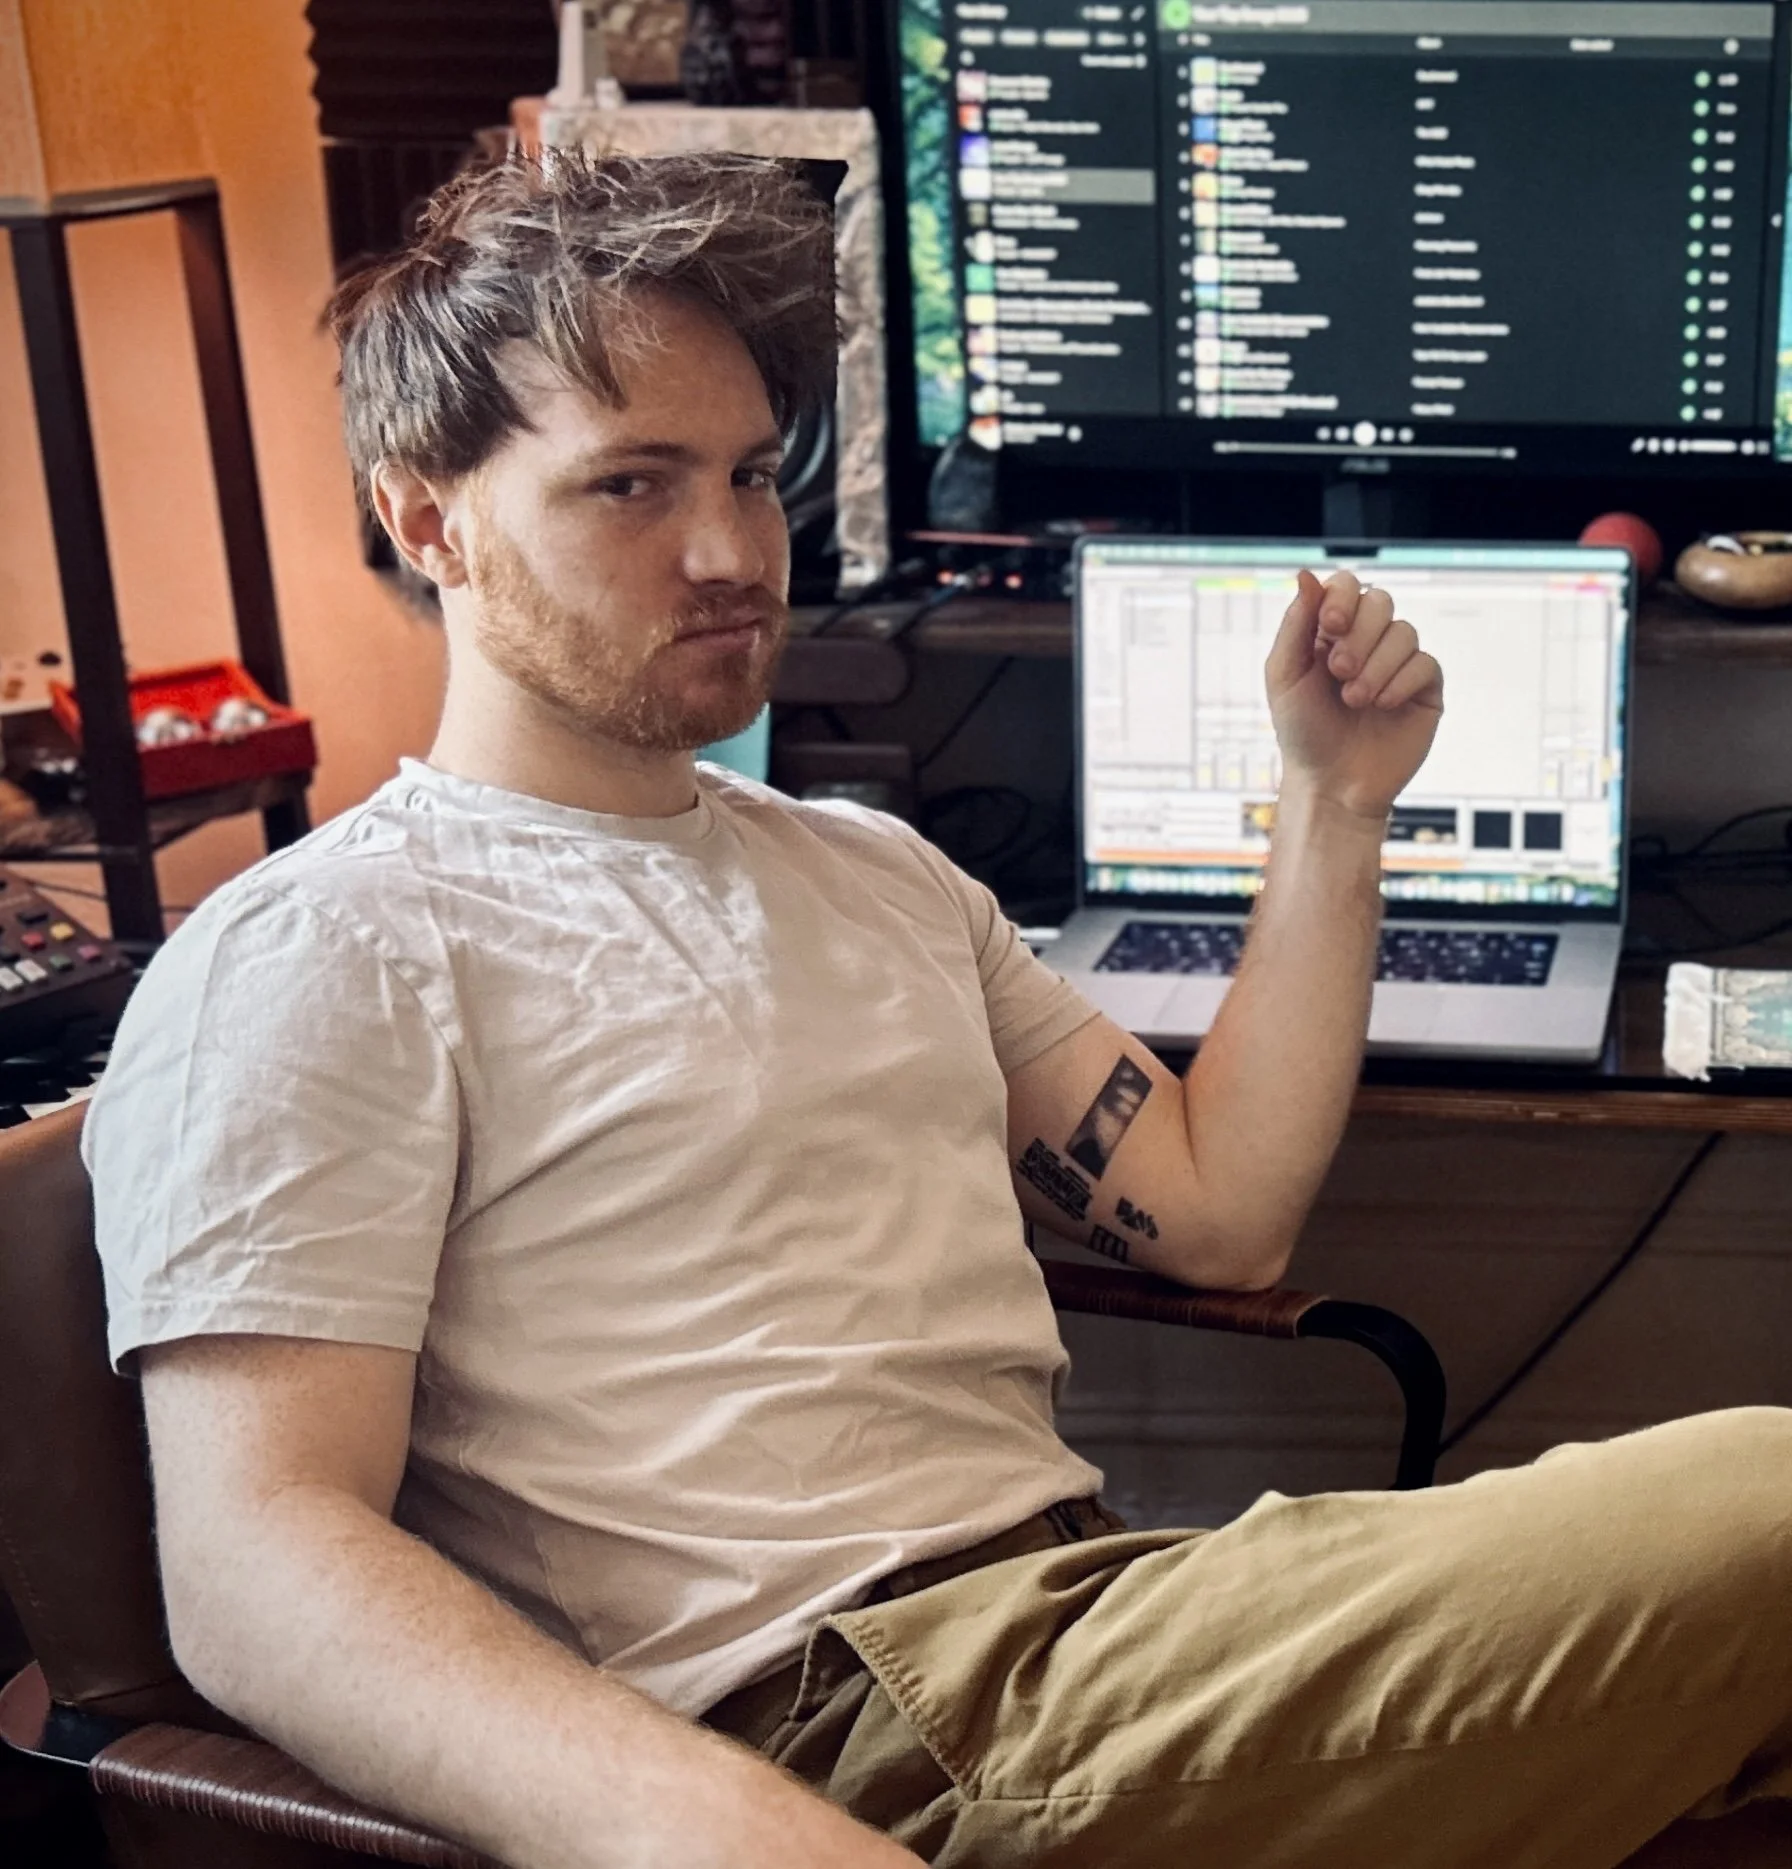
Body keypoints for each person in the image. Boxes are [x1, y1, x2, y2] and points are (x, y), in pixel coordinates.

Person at [84, 152, 1792, 1869]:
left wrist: (1334, 808)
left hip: (1095, 1620)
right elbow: (258, 1564)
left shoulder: (873, 873)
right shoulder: (320, 947)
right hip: (830, 1733)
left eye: (752, 475)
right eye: (630, 487)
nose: (732, 548)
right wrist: (745, 1846)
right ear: (428, 516)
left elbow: (1216, 1209)